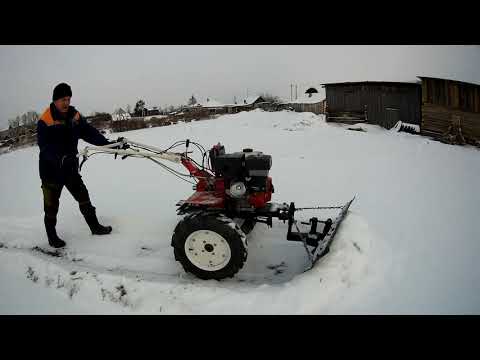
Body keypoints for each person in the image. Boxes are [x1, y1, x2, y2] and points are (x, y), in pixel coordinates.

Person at [37, 82, 115, 248]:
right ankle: (52, 237)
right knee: (51, 206)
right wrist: (60, 158)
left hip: (70, 168)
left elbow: (88, 132)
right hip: (50, 171)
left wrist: (108, 144)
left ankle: (95, 227)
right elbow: (45, 148)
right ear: (55, 100)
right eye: (63, 99)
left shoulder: (74, 116)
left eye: (68, 99)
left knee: (83, 197)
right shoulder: (45, 120)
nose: (66, 103)